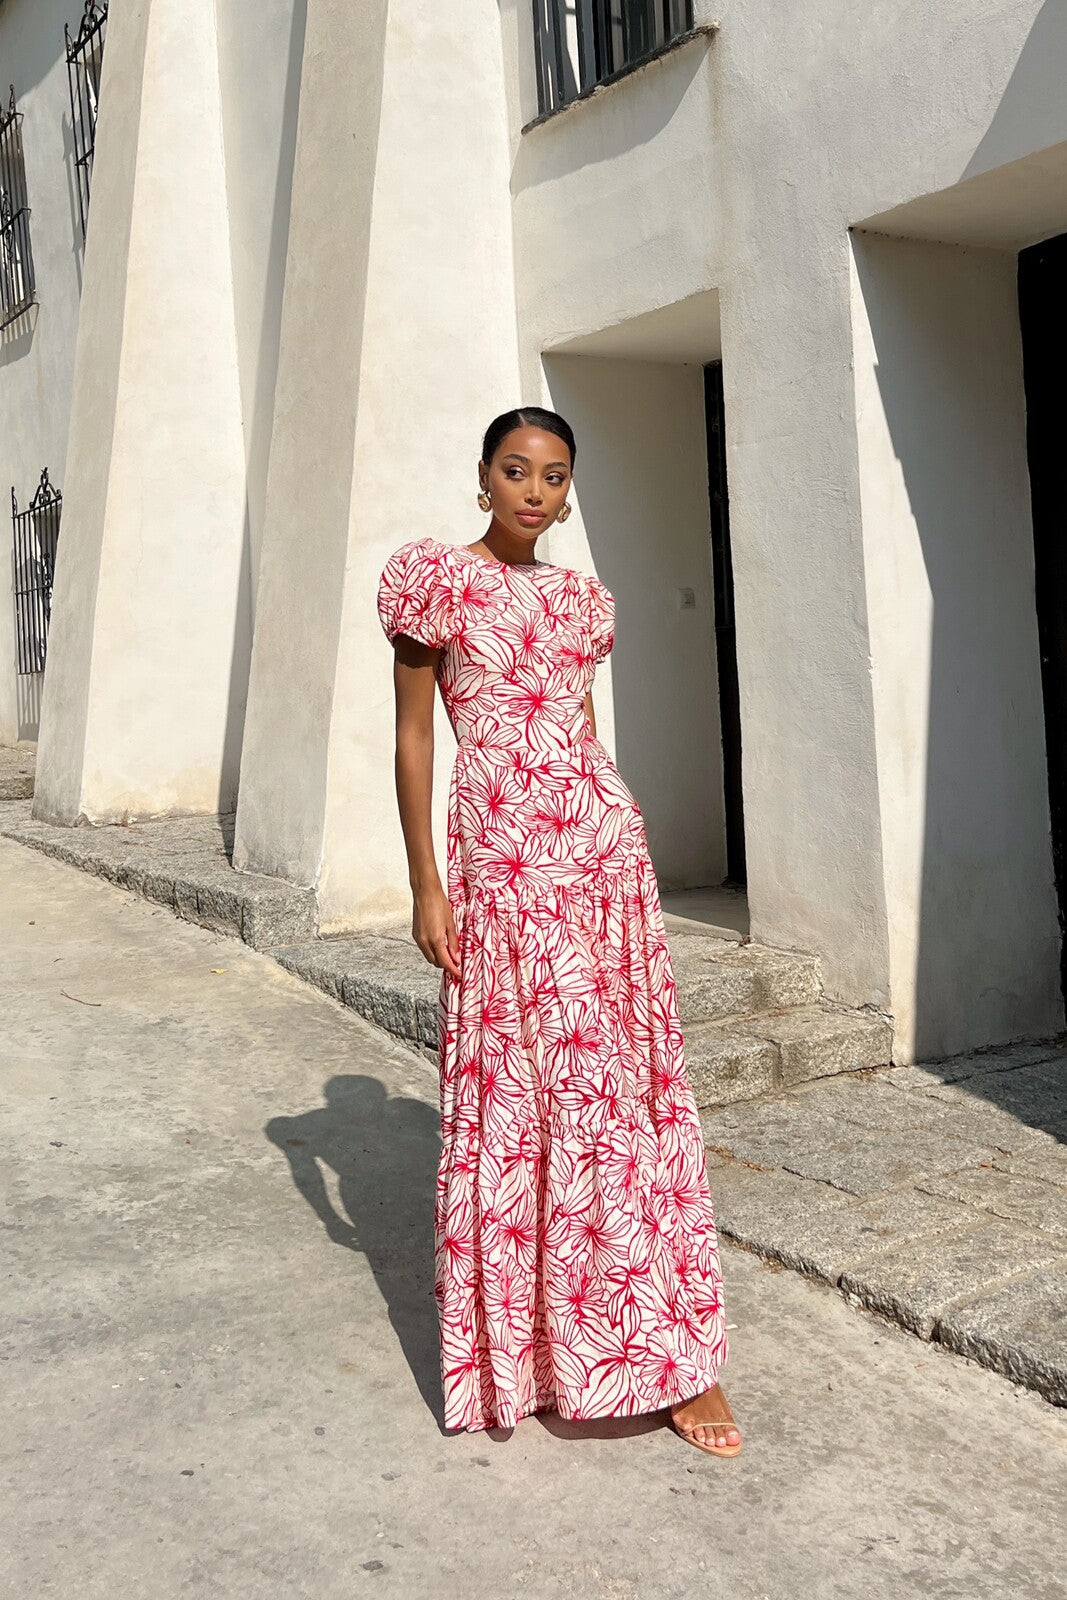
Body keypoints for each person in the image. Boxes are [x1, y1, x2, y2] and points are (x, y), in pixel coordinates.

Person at [376, 406, 743, 1457]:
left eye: (553, 475)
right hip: (500, 862)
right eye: (515, 469)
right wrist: (426, 883)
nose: (534, 491)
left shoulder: (583, 600)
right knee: (540, 1097)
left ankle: (674, 1357)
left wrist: (612, 825)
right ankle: (543, 1350)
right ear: (483, 476)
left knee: (624, 1093)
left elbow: (579, 729)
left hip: (598, 853)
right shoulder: (434, 583)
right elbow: (413, 739)